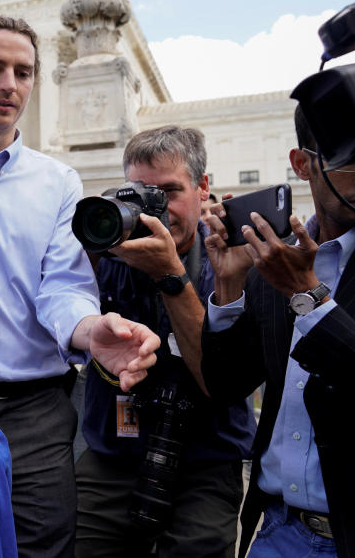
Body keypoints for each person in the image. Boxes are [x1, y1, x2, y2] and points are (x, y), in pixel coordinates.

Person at [0, 13, 160, 557]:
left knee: (41, 549)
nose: (9, 84)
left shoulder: (58, 181)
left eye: (23, 71)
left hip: (34, 414)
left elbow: (62, 288)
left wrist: (93, 332)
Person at [75, 126, 254, 557]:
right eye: (140, 194)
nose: (156, 210)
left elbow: (221, 380)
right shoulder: (104, 253)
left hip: (206, 456)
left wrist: (169, 274)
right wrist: (95, 242)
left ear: (202, 188)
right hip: (112, 450)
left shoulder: (231, 259)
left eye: (170, 192)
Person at [202, 104, 355, 557]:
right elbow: (227, 386)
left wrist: (308, 296)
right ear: (302, 164)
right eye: (349, 158)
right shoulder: (276, 264)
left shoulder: (288, 274)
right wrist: (229, 286)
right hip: (277, 531)